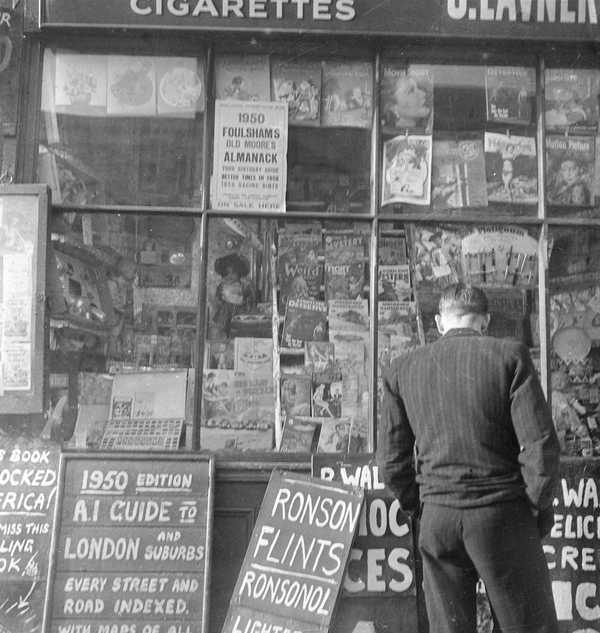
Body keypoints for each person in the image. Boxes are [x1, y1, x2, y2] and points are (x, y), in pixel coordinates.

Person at [378, 283, 560, 633]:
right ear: (485, 320)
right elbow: (540, 446)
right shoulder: (510, 357)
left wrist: (423, 506)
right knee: (527, 625)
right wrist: (535, 506)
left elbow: (390, 461)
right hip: (502, 514)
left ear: (439, 322)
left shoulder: (402, 369)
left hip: (438, 519)